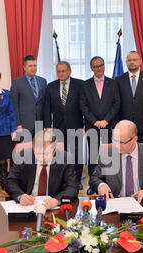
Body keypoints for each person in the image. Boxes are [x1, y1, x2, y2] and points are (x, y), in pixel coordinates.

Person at [89, 120, 143, 202]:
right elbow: (94, 178)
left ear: (134, 139)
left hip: (142, 202)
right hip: (115, 202)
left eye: (121, 142)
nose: (116, 145)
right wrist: (101, 185)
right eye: (114, 140)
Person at [5, 130, 78, 210]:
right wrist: (20, 196)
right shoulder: (23, 156)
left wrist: (57, 200)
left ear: (54, 151)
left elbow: (72, 187)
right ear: (33, 149)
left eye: (46, 153)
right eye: (38, 153)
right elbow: (10, 181)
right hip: (27, 207)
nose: (42, 158)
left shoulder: (66, 159)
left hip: (52, 208)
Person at [80, 56, 121, 195]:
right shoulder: (85, 85)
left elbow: (117, 104)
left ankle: (109, 182)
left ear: (104, 66)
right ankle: (94, 183)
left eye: (101, 65)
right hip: (93, 126)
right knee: (93, 156)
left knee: (109, 155)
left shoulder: (113, 83)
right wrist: (95, 121)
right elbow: (83, 106)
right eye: (96, 66)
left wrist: (106, 120)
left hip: (109, 126)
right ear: (91, 68)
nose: (99, 68)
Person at [43, 61, 84, 189]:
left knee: (77, 154)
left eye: (63, 71)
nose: (61, 73)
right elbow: (47, 108)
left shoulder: (80, 84)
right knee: (61, 154)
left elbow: (84, 106)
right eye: (58, 71)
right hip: (58, 127)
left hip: (76, 125)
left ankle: (76, 180)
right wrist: (48, 126)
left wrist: (85, 124)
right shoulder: (51, 86)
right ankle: (63, 180)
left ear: (69, 71)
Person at [117, 51, 143, 144]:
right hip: (125, 126)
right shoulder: (119, 79)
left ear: (140, 61)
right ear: (126, 62)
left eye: (135, 60)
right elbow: (117, 103)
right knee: (125, 153)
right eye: (129, 60)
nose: (132, 62)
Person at [10, 55, 47, 137]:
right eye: (30, 66)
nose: (33, 68)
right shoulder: (16, 82)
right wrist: (18, 124)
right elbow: (14, 105)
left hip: (40, 125)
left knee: (39, 149)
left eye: (35, 65)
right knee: (26, 149)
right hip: (24, 126)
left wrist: (47, 124)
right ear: (24, 67)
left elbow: (45, 104)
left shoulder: (43, 81)